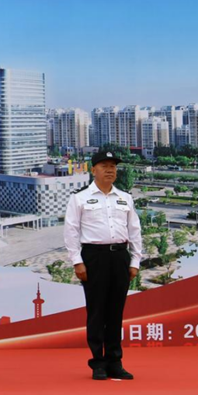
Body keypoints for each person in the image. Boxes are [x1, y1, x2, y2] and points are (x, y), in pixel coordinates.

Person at [64, 151, 142, 380]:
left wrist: (135, 261)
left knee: (116, 312)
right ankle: (98, 362)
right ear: (93, 170)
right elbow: (71, 231)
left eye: (113, 166)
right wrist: (77, 261)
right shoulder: (79, 198)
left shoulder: (125, 198)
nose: (110, 170)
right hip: (94, 257)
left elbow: (134, 231)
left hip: (119, 256)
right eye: (104, 165)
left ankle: (115, 361)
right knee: (97, 311)